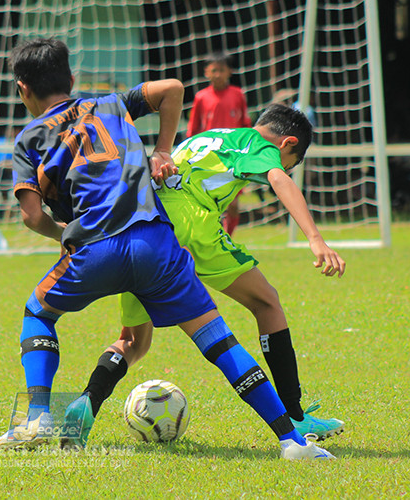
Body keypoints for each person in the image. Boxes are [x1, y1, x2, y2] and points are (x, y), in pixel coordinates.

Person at [0, 38, 334, 460]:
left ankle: (42, 417)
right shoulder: (112, 105)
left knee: (44, 315)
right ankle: (291, 439)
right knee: (221, 335)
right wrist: (161, 149)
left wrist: (62, 232)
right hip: (158, 241)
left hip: (99, 245)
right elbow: (172, 87)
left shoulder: (29, 137)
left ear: (22, 88)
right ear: (73, 79)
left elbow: (29, 216)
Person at [69, 103, 348, 445]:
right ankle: (294, 416)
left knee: (132, 341)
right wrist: (316, 239)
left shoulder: (206, 138)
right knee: (266, 303)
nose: (281, 166)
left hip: (147, 228)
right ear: (287, 143)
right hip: (192, 225)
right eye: (291, 161)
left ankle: (86, 401)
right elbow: (278, 178)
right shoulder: (256, 144)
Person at [187, 53, 251, 235]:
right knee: (208, 200)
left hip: (233, 155)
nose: (217, 74)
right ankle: (211, 235)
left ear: (229, 72)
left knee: (233, 203)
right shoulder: (201, 97)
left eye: (221, 70)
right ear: (206, 72)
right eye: (214, 70)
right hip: (209, 155)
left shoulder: (238, 95)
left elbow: (245, 124)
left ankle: (227, 237)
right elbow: (193, 127)